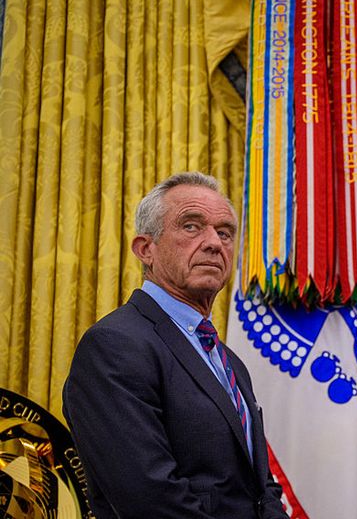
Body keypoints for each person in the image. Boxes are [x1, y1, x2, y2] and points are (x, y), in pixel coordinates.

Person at [63, 173, 288, 519]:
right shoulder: (113, 346)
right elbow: (150, 499)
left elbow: (261, 488)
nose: (214, 243)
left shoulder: (229, 360)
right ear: (146, 249)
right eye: (191, 227)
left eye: (225, 232)